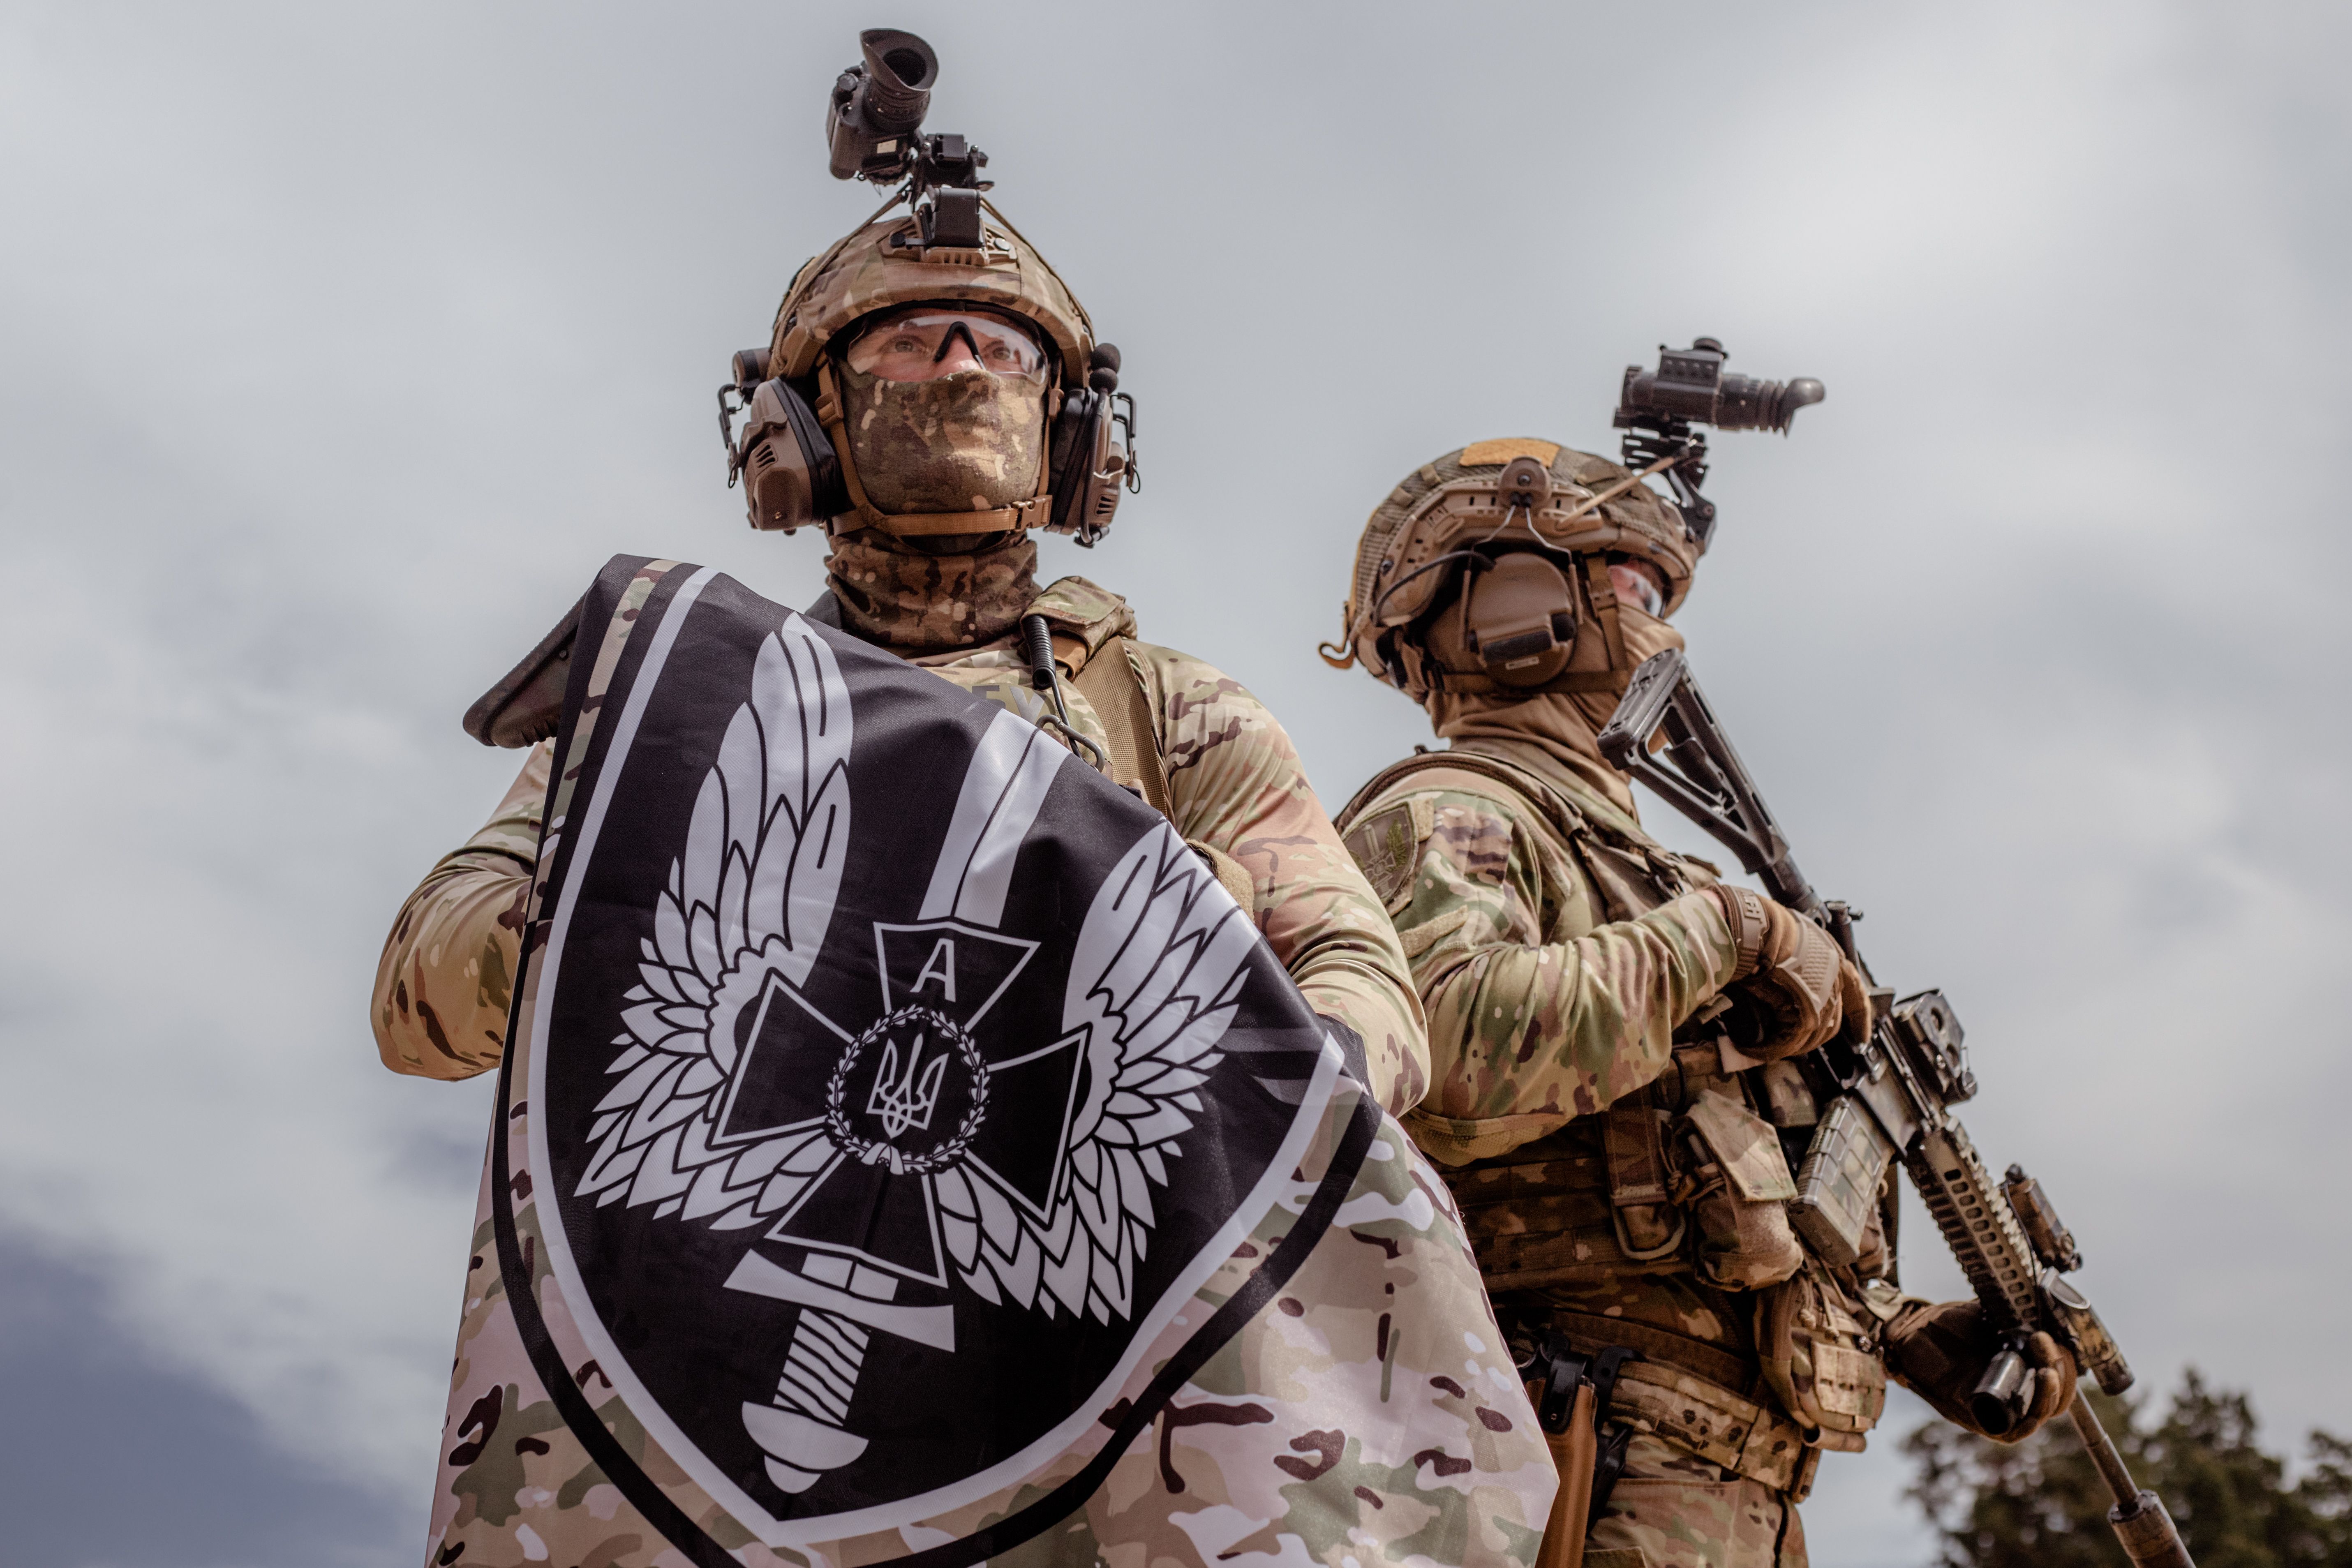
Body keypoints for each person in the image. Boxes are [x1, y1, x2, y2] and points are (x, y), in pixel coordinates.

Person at [371, 201, 1557, 1564]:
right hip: (668, 1416)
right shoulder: (677, 705)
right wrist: (618, 897)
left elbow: (1361, 988)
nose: (959, 370)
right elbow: (420, 997)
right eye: (910, 343)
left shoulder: (1171, 713)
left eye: (1001, 347)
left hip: (1068, 1428)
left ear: (1074, 433)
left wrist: (1223, 1020)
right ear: (800, 426)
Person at [1324, 437, 2078, 1568]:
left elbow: (1715, 1203)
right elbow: (1447, 1055)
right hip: (1569, 1467)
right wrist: (1735, 935)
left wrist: (1902, 1332)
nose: (1661, 631)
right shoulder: (1454, 811)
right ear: (1516, 609)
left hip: (1726, 1494)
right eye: (1632, 586)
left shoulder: (1649, 874)